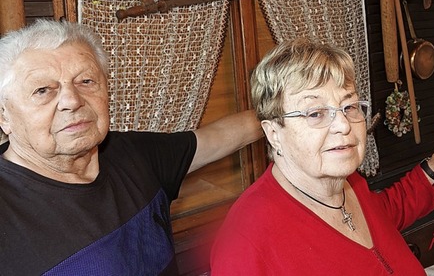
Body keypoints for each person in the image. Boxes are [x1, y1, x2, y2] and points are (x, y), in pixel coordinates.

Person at [0, 19, 262, 275]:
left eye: (86, 81)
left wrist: (286, 114)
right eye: (43, 90)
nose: (72, 100)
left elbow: (218, 138)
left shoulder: (132, 154)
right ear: (4, 116)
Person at [209, 38, 434, 275]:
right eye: (315, 113)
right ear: (273, 133)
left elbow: (384, 215)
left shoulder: (348, 182)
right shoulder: (245, 243)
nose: (344, 125)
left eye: (350, 106)